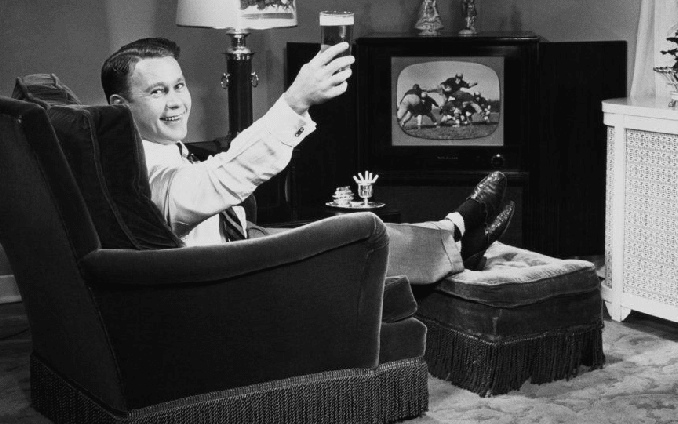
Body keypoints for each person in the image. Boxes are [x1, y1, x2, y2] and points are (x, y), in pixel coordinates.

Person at [101, 37, 515, 283]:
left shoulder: (160, 148)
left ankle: (455, 231)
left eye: (178, 85)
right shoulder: (140, 173)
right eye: (157, 92)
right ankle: (460, 233)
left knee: (347, 227)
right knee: (355, 235)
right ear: (120, 106)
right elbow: (218, 180)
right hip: (225, 270)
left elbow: (221, 161)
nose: (176, 102)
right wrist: (295, 101)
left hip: (242, 239)